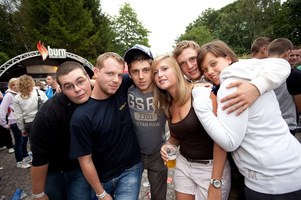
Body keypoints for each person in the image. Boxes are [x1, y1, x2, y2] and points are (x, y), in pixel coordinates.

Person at [193, 40, 301, 200]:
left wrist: (200, 104)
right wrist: (259, 85)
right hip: (291, 165)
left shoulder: (230, 85)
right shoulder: (250, 70)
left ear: (228, 58)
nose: (210, 72)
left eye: (213, 63)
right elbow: (282, 65)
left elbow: (229, 142)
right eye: (205, 69)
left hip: (272, 180)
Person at [152, 54, 231, 200]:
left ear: (176, 70)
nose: (160, 75)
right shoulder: (169, 104)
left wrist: (216, 181)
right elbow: (176, 136)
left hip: (210, 168)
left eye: (164, 69)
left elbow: (221, 140)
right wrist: (167, 145)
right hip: (183, 165)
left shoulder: (201, 95)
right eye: (155, 72)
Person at [69, 52, 142, 200]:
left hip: (131, 170)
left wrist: (194, 84)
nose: (116, 80)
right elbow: (85, 160)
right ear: (96, 72)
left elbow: (149, 73)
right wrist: (101, 193)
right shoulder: (81, 116)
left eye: (120, 75)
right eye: (110, 73)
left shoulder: (121, 88)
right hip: (101, 179)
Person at [30, 61, 93, 200]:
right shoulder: (48, 114)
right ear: (61, 89)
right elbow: (39, 156)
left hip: (80, 170)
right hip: (53, 172)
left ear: (89, 79)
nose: (77, 89)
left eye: (80, 82)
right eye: (69, 86)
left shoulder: (97, 99)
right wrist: (38, 194)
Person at [124, 44, 167, 200]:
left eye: (146, 70)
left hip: (158, 153)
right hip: (133, 154)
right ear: (129, 73)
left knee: (159, 196)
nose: (141, 77)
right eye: (135, 71)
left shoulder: (164, 90)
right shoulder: (125, 89)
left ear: (153, 70)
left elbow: (184, 88)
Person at [268, 38, 301, 135]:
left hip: (263, 124)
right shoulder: (294, 75)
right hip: (286, 124)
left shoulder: (257, 70)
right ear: (287, 53)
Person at [14, 75, 48, 139]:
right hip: (42, 120)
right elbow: (48, 107)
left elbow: (18, 116)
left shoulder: (17, 98)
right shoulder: (40, 93)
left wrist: (22, 129)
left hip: (29, 122)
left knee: (34, 143)